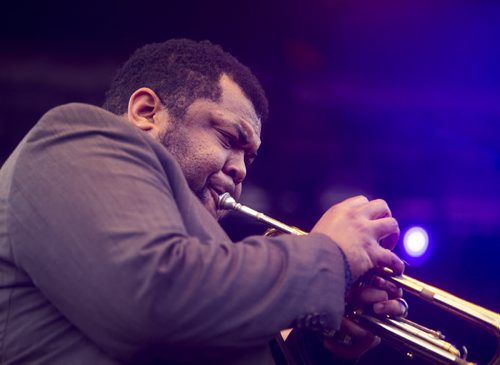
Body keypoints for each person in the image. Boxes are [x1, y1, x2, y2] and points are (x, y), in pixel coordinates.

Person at [0, 39, 405, 365]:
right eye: (230, 139)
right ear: (146, 112)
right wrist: (328, 257)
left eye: (249, 157)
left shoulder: (204, 259)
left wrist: (321, 345)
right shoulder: (78, 139)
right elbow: (154, 299)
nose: (242, 170)